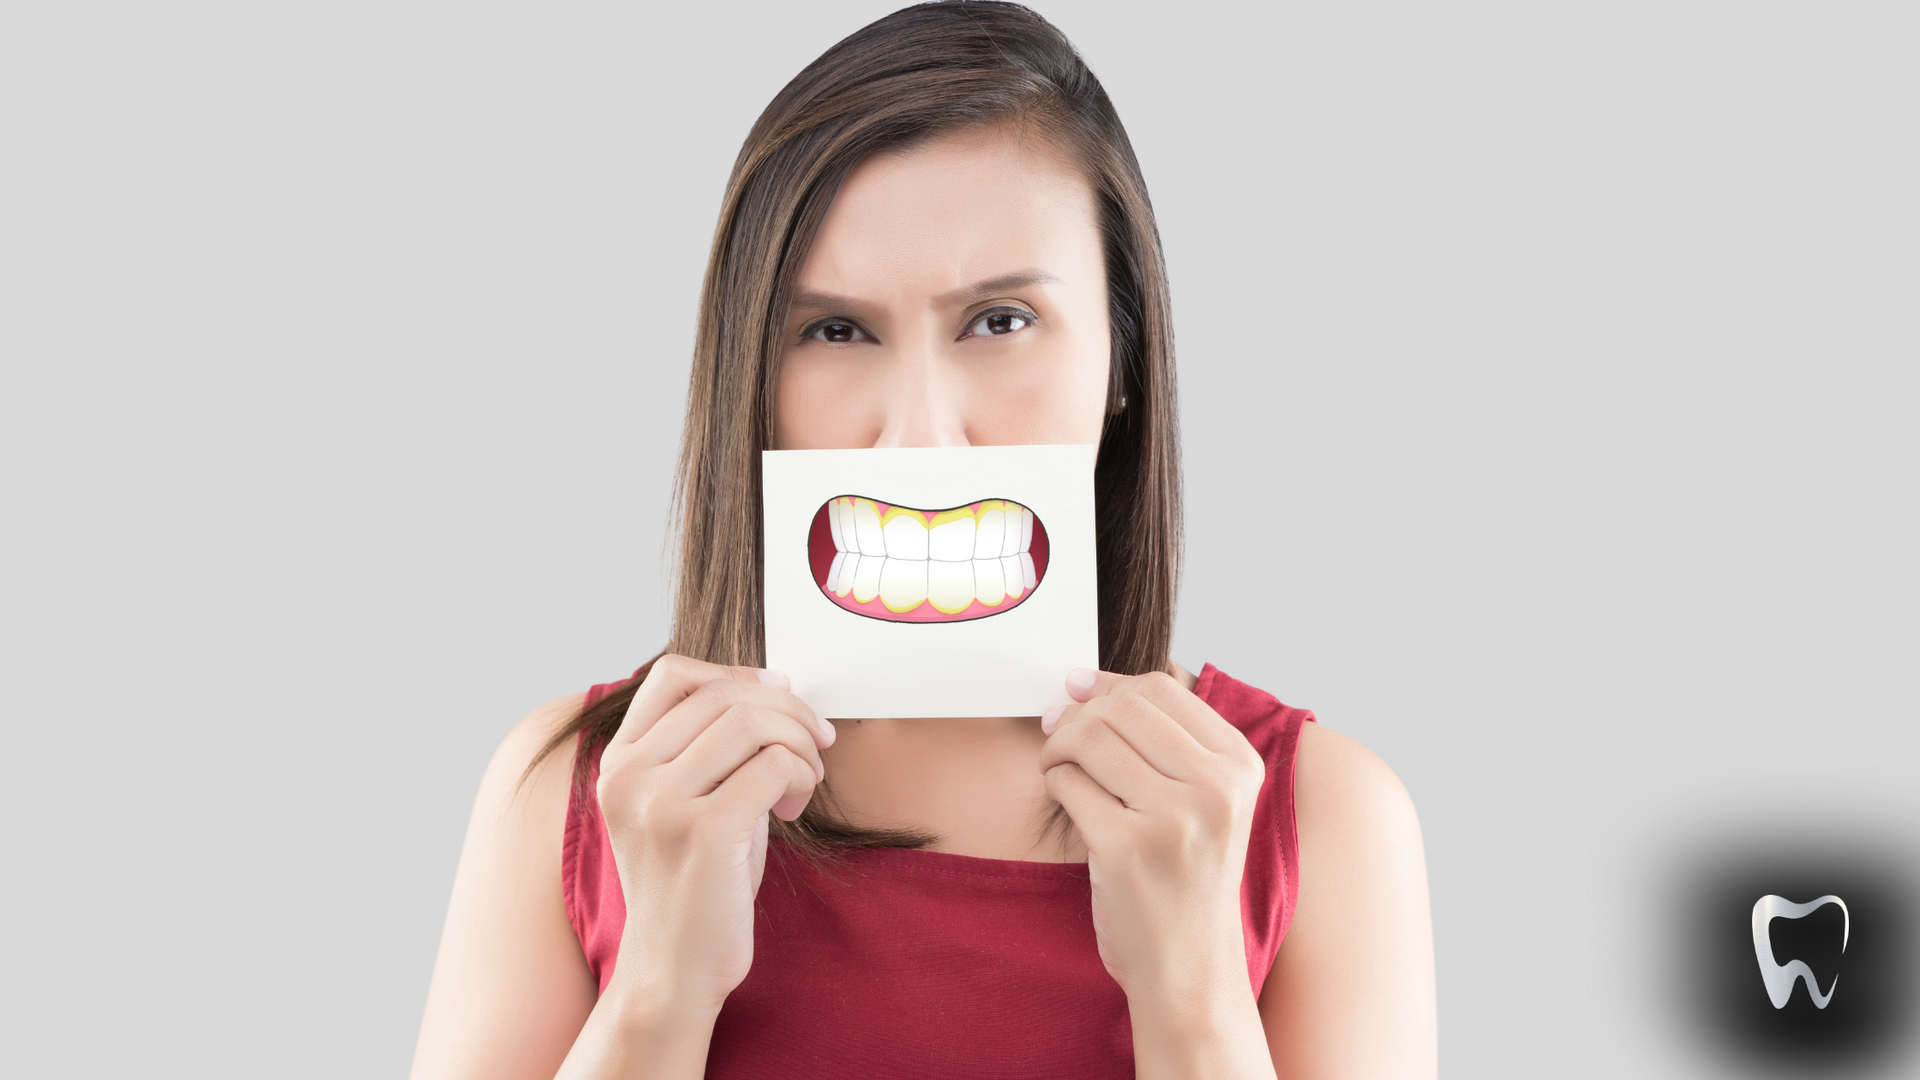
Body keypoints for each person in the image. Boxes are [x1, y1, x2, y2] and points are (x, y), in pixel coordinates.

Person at [410, 4, 1436, 1077]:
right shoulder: (579, 788)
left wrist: (1192, 997)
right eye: (835, 330)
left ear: (1124, 358)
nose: (920, 437)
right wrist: (660, 988)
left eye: (1000, 321)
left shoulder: (1323, 817)